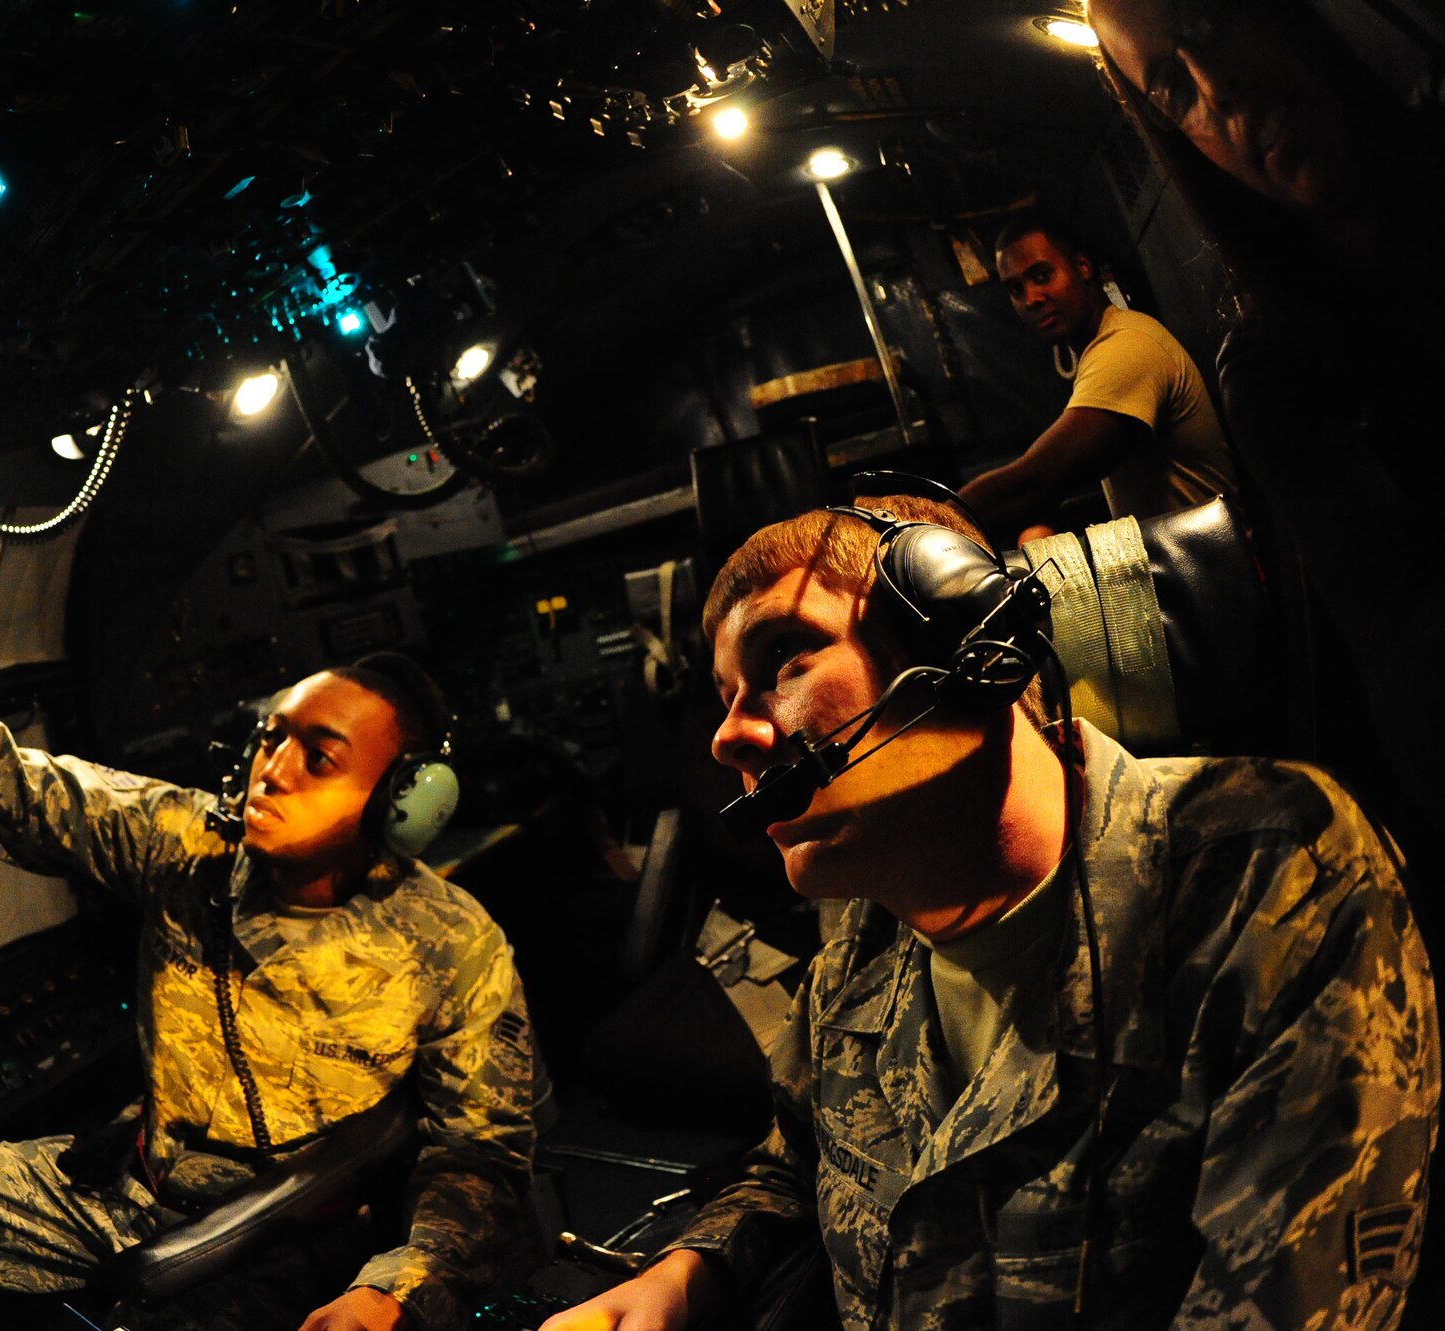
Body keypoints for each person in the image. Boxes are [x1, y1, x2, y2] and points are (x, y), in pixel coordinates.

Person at [539, 494, 1438, 1329]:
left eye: (783, 657)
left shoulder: (1267, 874)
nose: (728, 735)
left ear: (975, 646)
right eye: (727, 693)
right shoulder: (867, 926)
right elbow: (797, 1164)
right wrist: (681, 1276)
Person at [0, 434, 535, 1331]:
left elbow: (483, 1161)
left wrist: (396, 1287)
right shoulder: (189, 840)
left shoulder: (453, 942)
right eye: (270, 738)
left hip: (302, 1244)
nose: (272, 768)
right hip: (130, 1190)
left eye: (318, 758)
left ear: (402, 805)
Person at [1082, 0, 1445, 895]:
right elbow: (1413, 654)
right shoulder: (1277, 365)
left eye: (1206, 19)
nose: (1215, 89)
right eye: (1171, 85)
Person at [960, 214, 1237, 545]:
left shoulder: (1127, 344)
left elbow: (1038, 480)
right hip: (1191, 564)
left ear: (1083, 267)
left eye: (1042, 275)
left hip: (1220, 575)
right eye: (1016, 289)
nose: (1031, 298)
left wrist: (925, 517)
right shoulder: (1095, 349)